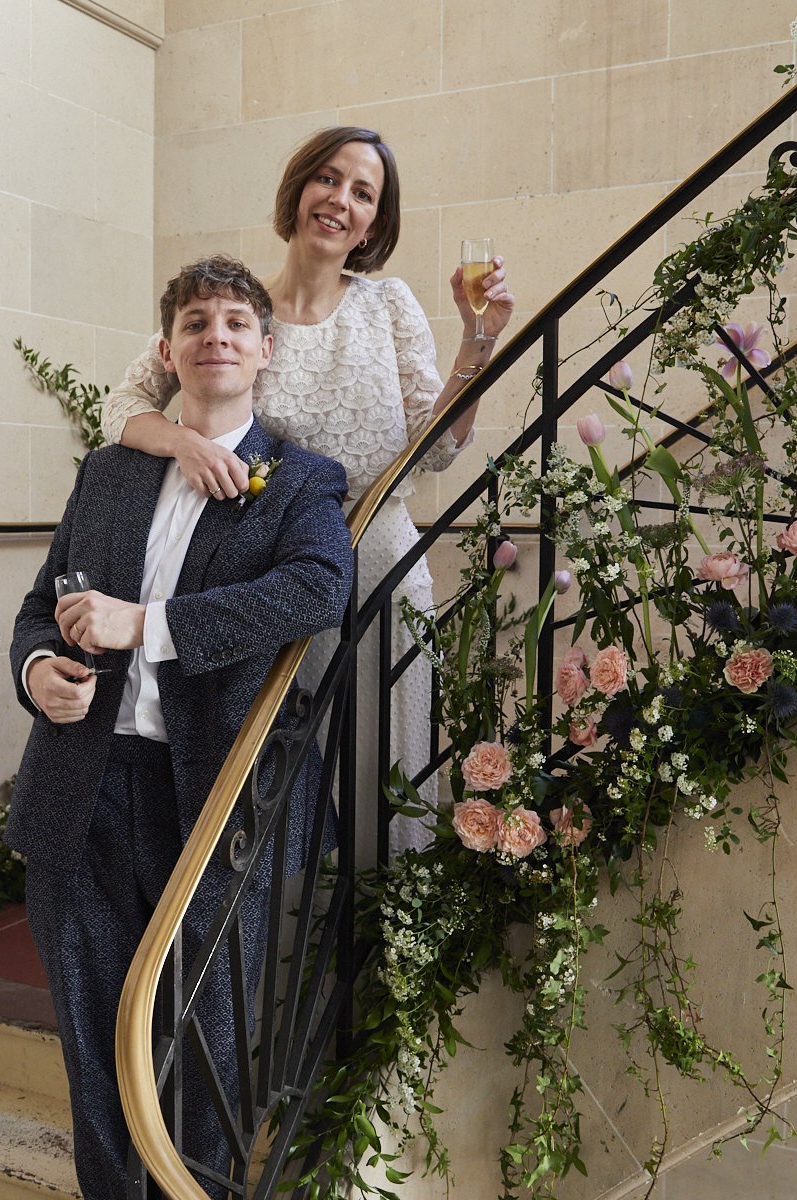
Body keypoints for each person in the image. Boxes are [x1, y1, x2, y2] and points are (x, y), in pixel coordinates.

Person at [7, 255, 355, 1199]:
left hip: (212, 798)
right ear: (166, 351)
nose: (217, 337)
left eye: (236, 323)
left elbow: (322, 588)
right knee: (92, 1039)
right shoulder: (110, 473)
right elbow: (43, 604)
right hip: (78, 784)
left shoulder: (300, 481)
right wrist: (41, 671)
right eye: (196, 323)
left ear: (265, 351)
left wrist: (145, 626)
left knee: (198, 1040)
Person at [100, 126, 517, 855]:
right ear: (299, 189)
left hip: (379, 557)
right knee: (283, 766)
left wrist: (478, 339)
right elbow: (122, 405)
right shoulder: (238, 311)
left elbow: (441, 447)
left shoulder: (388, 306)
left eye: (364, 193)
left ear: (373, 224)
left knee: (385, 757)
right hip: (268, 569)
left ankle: (386, 934)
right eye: (330, 179)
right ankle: (284, 938)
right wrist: (185, 443)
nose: (341, 200)